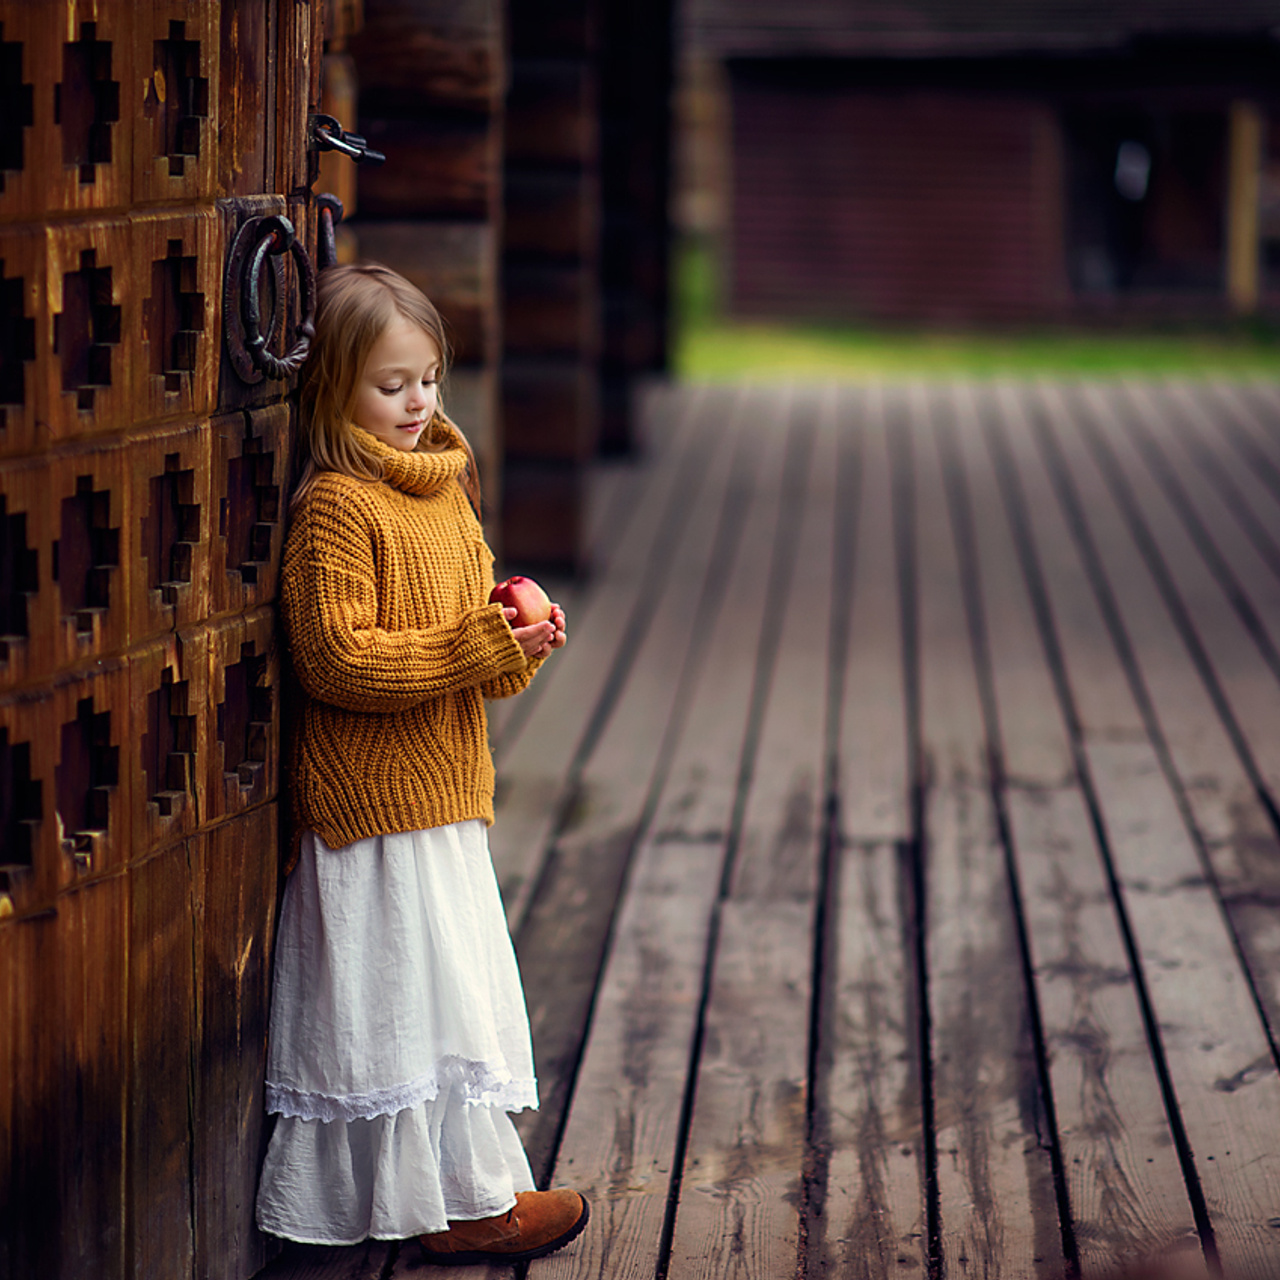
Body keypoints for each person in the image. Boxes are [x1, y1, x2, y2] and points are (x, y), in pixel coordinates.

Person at [255, 262, 588, 1266]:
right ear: (332, 390)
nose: (417, 402)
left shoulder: (445, 489)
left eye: (429, 377)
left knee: (446, 997)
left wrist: (513, 641)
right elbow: (335, 657)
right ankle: (434, 1203)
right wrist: (472, 645)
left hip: (445, 794)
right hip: (372, 807)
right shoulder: (336, 509)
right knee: (393, 1004)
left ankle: (465, 1190)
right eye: (390, 383)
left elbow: (468, 659)